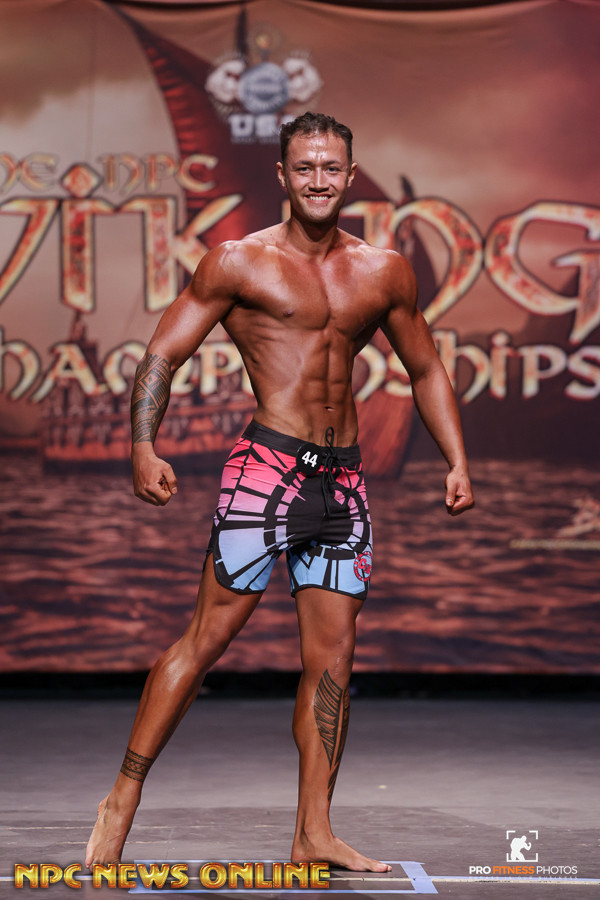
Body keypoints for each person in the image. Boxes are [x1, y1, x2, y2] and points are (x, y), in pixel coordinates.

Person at [85, 112, 474, 873]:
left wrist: (457, 460)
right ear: (283, 176)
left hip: (343, 482)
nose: (318, 180)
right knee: (206, 639)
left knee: (334, 660)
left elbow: (426, 367)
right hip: (268, 469)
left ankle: (314, 832)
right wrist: (142, 444)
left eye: (331, 168)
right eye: (305, 168)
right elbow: (163, 353)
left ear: (349, 175)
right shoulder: (238, 262)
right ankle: (122, 797)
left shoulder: (384, 271)